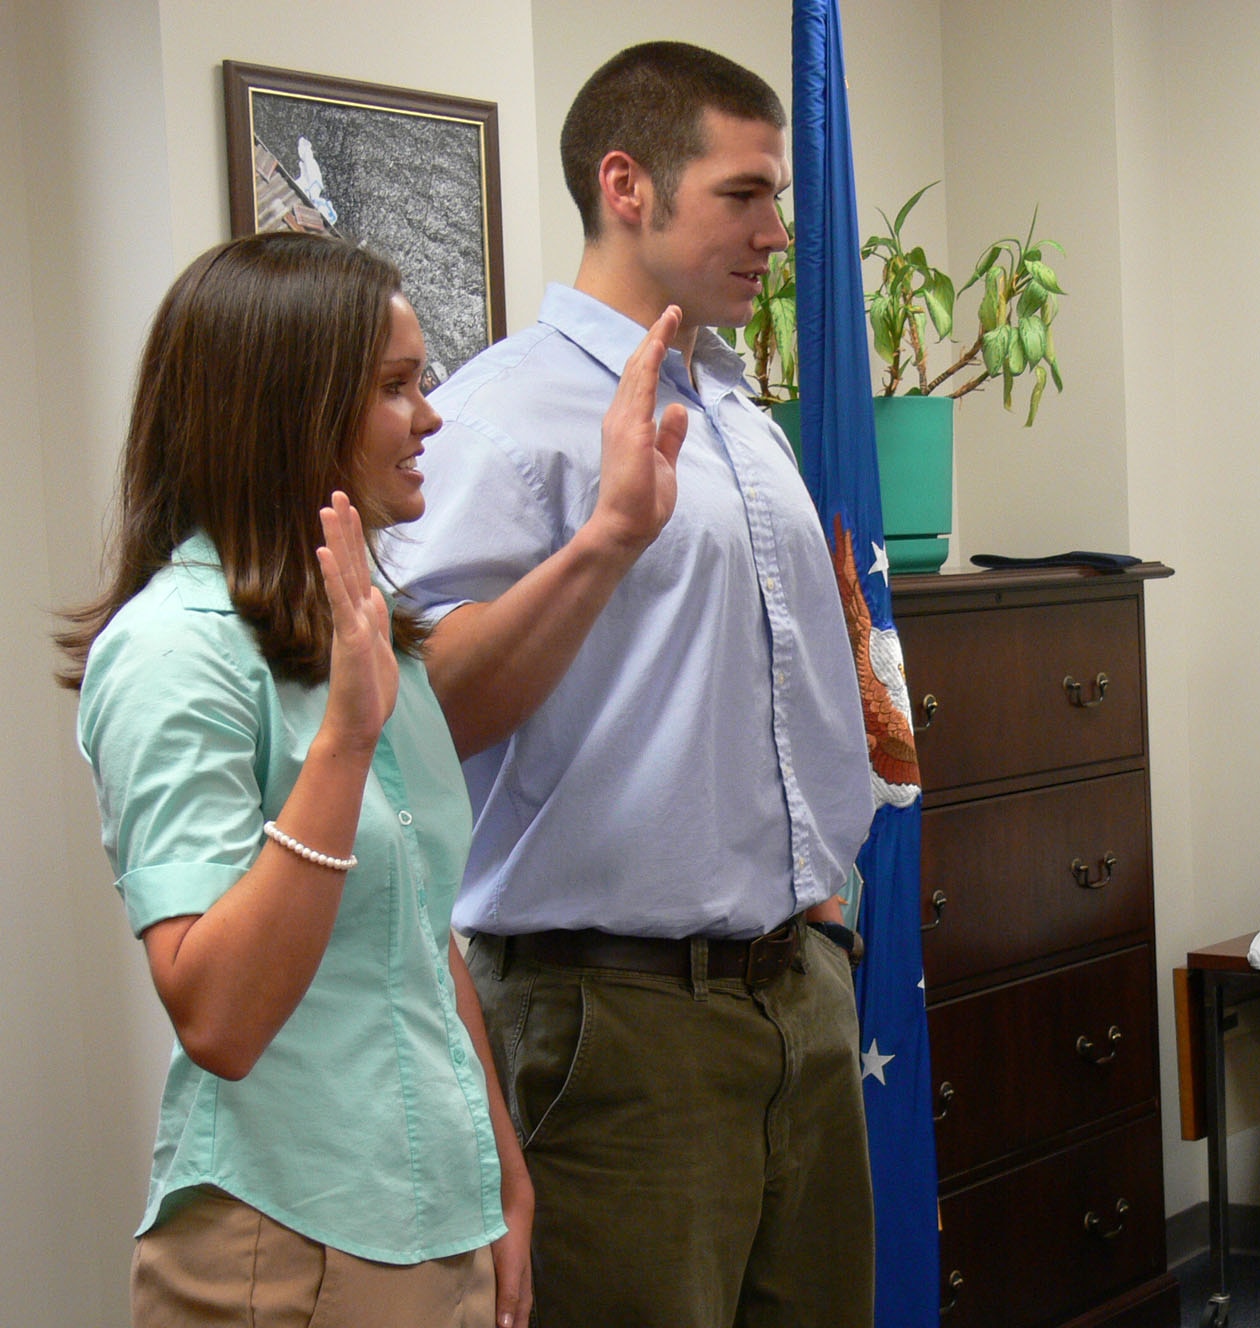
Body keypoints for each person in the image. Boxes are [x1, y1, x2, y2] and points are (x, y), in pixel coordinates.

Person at [57, 231, 645, 1326]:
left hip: (441, 1219)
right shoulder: (170, 653)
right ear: (287, 410)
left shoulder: (368, 636)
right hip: (286, 1241)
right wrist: (341, 741)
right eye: (394, 386)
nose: (430, 416)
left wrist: (501, 1170)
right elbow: (218, 1015)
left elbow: (417, 936)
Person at [379, 40, 876, 1328]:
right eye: (744, 193)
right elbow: (413, 719)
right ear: (628, 186)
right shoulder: (501, 415)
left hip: (793, 996)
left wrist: (818, 918)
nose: (777, 231)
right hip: (613, 1023)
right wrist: (604, 540)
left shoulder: (741, 414)